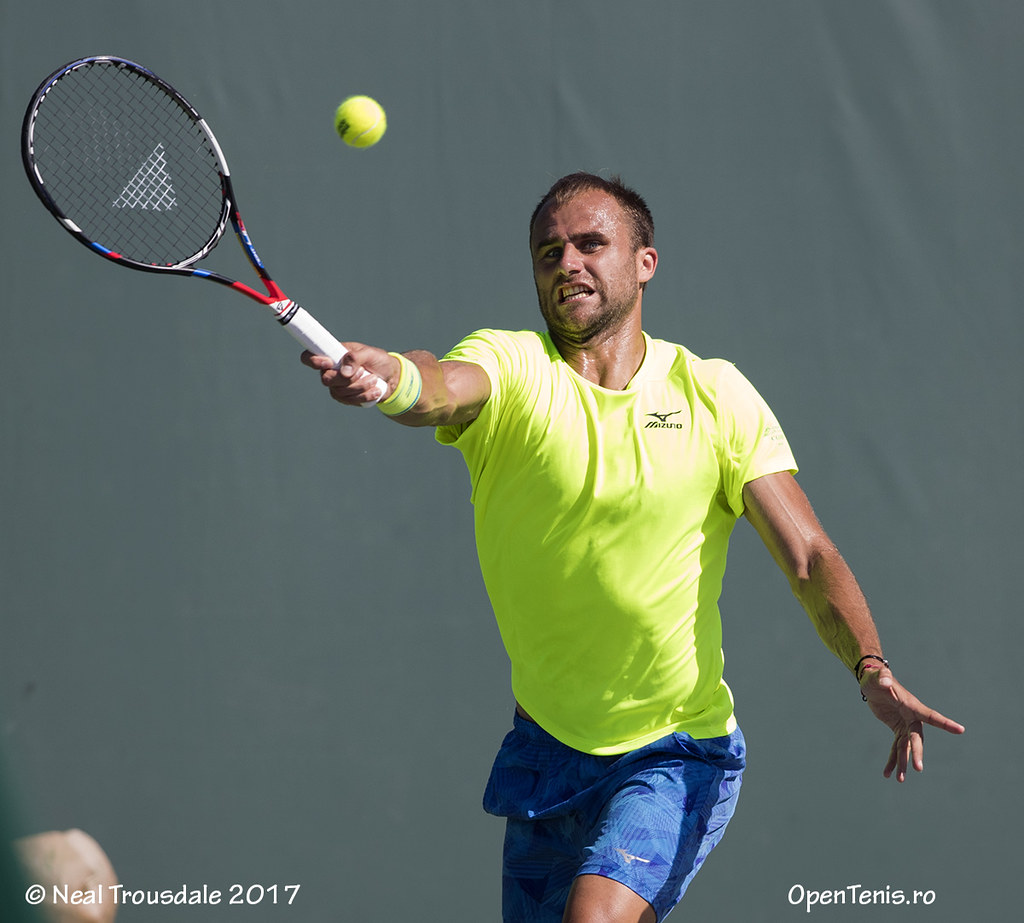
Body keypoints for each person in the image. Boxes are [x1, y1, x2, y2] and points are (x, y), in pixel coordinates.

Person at [302, 173, 964, 923]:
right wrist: (390, 378)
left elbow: (808, 554)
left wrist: (869, 665)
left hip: (675, 750)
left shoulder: (714, 394)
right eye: (549, 252)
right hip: (546, 748)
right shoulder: (512, 367)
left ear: (645, 262)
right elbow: (438, 384)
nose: (568, 263)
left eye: (591, 244)